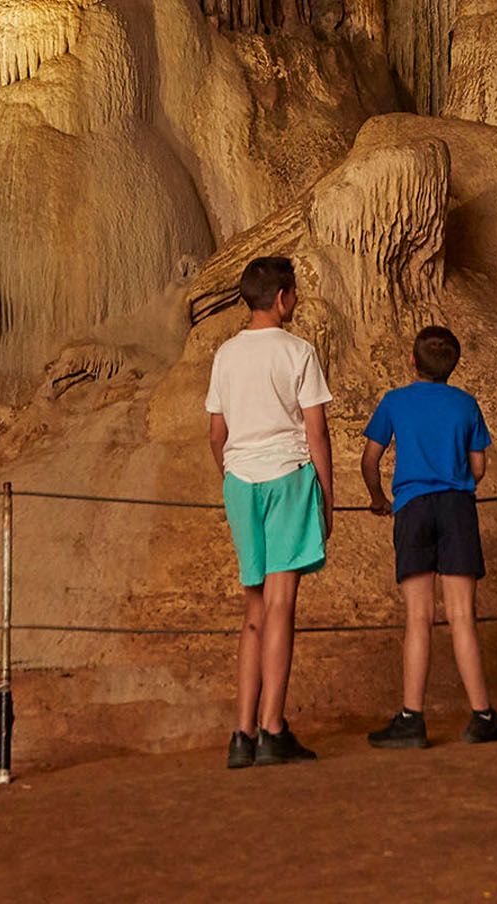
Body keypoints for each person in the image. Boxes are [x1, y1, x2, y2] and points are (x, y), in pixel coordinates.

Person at [206, 255, 335, 767]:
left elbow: (216, 434)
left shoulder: (225, 356)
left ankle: (241, 734)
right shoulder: (298, 351)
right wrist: (325, 495)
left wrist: (234, 476)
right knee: (282, 604)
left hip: (240, 482)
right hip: (287, 477)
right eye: (295, 291)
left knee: (254, 609)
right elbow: (316, 431)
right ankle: (272, 727)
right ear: (282, 298)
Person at [360, 324, 497, 749]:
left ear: (413, 360)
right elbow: (478, 468)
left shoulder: (394, 401)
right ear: (453, 366)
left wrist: (379, 497)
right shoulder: (466, 404)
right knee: (463, 615)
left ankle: (412, 720)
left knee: (418, 617)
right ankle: (482, 716)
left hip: (412, 507)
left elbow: (370, 458)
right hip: (457, 507)